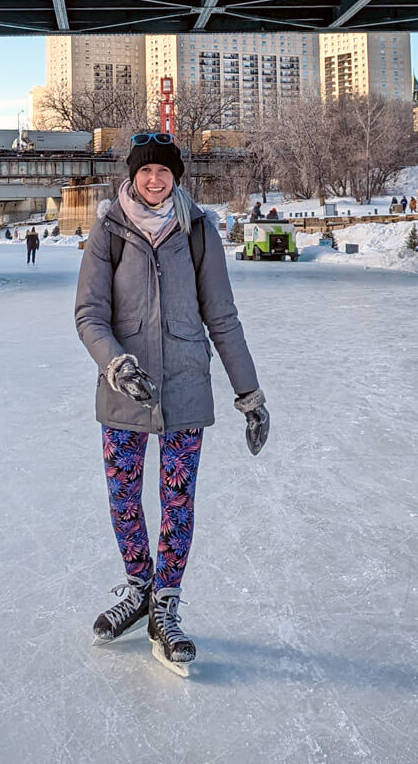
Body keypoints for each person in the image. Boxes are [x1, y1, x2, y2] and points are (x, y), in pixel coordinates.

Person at [74, 131, 271, 676]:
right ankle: (139, 586)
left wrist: (248, 393)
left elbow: (222, 316)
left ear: (176, 178)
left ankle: (166, 603)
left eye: (164, 172)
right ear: (132, 176)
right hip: (125, 388)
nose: (155, 180)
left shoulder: (199, 230)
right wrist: (116, 364)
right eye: (146, 172)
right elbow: (89, 314)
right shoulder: (109, 228)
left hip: (185, 384)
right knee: (124, 497)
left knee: (177, 502)